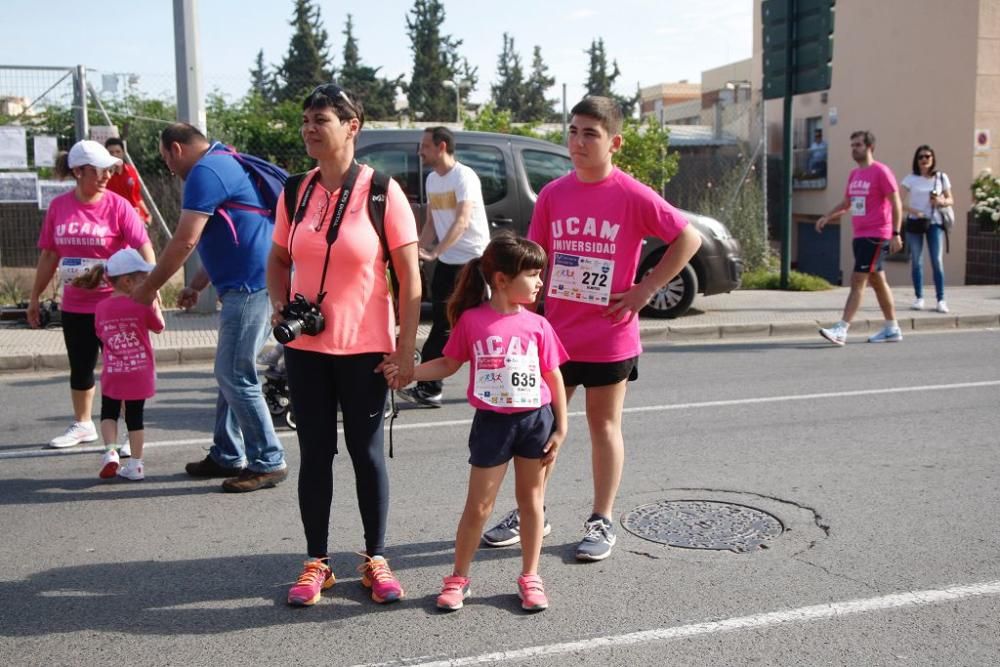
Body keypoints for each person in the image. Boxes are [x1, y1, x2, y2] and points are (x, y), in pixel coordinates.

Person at [483, 96, 702, 562]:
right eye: (574, 131)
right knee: (541, 427)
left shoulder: (631, 193)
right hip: (554, 333)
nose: (578, 142)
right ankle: (531, 508)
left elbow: (688, 237)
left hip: (609, 334)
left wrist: (645, 289)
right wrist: (519, 314)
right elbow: (535, 261)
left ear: (614, 142)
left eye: (591, 134)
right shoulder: (554, 194)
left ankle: (601, 519)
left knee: (604, 425)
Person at [269, 84, 420, 607]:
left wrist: (405, 351)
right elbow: (278, 259)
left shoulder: (382, 192)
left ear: (351, 126)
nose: (310, 128)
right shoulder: (294, 191)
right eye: (306, 118)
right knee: (315, 454)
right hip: (307, 349)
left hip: (366, 350)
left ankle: (375, 559)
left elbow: (410, 280)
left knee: (366, 454)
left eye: (322, 119)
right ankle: (317, 563)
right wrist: (278, 305)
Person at [385, 234, 568, 612]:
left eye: (540, 275)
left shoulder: (538, 325)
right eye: (533, 275)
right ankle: (458, 578)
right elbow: (449, 363)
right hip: (493, 424)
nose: (539, 283)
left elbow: (553, 377)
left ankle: (531, 576)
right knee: (479, 507)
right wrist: (410, 372)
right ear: (501, 279)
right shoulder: (473, 321)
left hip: (535, 421)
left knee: (532, 502)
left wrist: (561, 428)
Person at [131, 123, 287, 493]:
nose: (168, 167)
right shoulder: (224, 161)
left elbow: (185, 240)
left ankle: (268, 459)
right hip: (252, 283)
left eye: (165, 158)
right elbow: (230, 233)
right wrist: (198, 284)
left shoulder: (205, 170)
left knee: (234, 374)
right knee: (231, 372)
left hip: (251, 287)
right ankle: (227, 453)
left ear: (175, 149)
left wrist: (149, 287)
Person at [28, 140, 154, 449]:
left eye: (109, 170)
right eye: (99, 170)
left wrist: (152, 284)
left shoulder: (118, 205)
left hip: (117, 305)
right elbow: (48, 256)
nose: (107, 176)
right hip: (76, 305)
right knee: (81, 364)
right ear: (78, 171)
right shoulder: (59, 207)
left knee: (123, 366)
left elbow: (143, 245)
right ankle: (83, 424)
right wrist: (34, 297)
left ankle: (129, 432)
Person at [395, 126, 490, 408]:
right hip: (449, 262)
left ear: (442, 146)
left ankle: (430, 388)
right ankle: (432, 387)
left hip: (473, 262)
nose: (420, 152)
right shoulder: (433, 180)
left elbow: (462, 220)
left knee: (455, 326)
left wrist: (435, 252)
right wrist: (416, 251)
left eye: (424, 146)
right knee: (445, 324)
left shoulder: (465, 176)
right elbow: (431, 223)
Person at [73, 248, 164, 481]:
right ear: (127, 281)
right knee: (135, 417)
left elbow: (100, 333)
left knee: (108, 413)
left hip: (114, 372)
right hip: (139, 372)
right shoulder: (142, 304)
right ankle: (136, 465)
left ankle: (111, 452)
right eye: (143, 278)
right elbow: (159, 326)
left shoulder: (101, 307)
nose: (147, 282)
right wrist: (153, 304)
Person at [817, 130, 904, 346]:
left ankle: (842, 328)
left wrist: (896, 233)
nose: (853, 148)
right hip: (860, 235)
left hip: (876, 235)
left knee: (858, 280)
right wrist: (827, 217)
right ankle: (892, 328)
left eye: (858, 145)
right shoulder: (855, 175)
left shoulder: (881, 171)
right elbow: (847, 204)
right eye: (852, 145)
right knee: (877, 281)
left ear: (869, 147)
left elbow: (896, 203)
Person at [901, 145, 953, 313]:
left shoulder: (941, 177)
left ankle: (941, 299)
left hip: (935, 223)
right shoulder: (910, 179)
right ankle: (919, 297)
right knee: (916, 261)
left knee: (937, 261)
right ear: (916, 160)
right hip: (915, 223)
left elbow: (951, 199)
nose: (924, 160)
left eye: (928, 156)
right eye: (921, 157)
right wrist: (915, 211)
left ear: (933, 158)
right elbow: (899, 202)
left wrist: (941, 202)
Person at [104, 138, 152, 225]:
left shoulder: (131, 171)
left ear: (123, 153)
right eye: (111, 153)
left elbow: (137, 196)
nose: (114, 155)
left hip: (136, 217)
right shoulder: (103, 176)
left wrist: (147, 214)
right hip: (114, 220)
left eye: (118, 151)